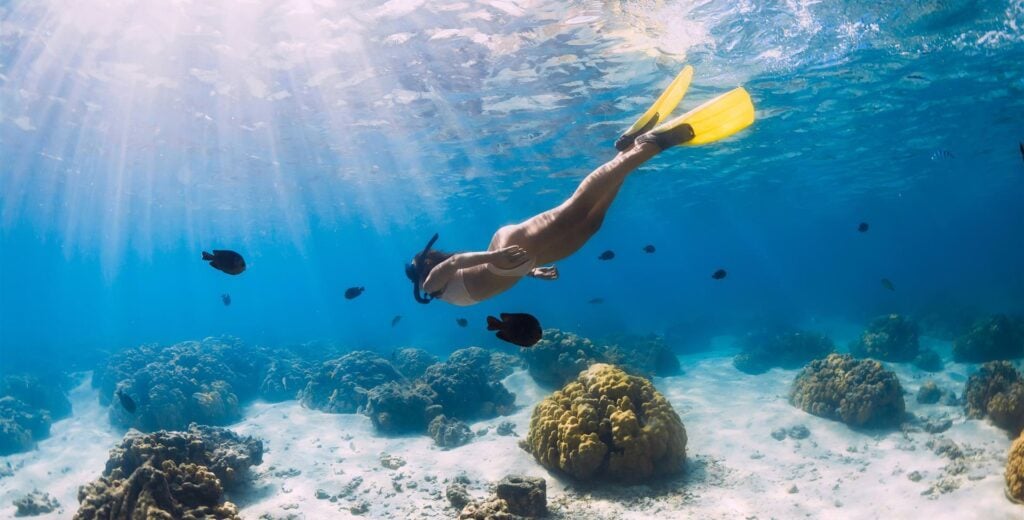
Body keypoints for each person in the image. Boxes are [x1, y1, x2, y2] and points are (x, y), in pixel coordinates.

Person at [405, 65, 755, 306]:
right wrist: (532, 273)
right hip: (519, 262)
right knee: (591, 223)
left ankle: (653, 143)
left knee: (576, 207)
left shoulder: (430, 285)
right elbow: (476, 276)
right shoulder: (440, 290)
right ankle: (629, 150)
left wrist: (497, 257)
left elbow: (455, 265)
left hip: (505, 252)